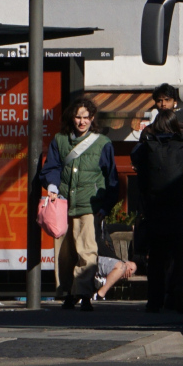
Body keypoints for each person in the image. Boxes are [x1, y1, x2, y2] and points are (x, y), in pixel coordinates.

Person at [41, 97, 119, 312]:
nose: (82, 121)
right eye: (78, 117)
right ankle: (67, 293)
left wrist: (105, 206)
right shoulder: (59, 140)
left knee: (87, 252)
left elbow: (111, 178)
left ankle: (84, 294)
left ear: (92, 118)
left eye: (86, 117)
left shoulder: (103, 144)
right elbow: (51, 168)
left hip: (89, 205)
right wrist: (53, 187)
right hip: (63, 204)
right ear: (71, 117)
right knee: (64, 254)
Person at [132, 85, 183, 313]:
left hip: (155, 211)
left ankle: (154, 301)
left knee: (156, 258)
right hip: (178, 211)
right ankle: (176, 299)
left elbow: (137, 164)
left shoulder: (147, 145)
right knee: (178, 257)